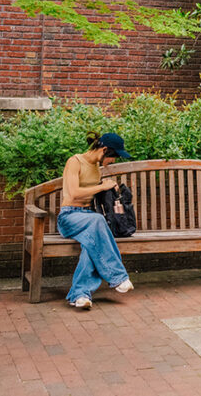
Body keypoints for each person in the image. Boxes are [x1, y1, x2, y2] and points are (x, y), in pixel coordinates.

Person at [57, 132, 135, 309]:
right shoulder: (74, 162)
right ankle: (118, 277)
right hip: (69, 217)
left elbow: (95, 191)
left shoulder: (95, 168)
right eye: (114, 156)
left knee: (89, 247)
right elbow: (75, 192)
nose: (114, 161)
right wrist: (101, 186)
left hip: (88, 219)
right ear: (104, 150)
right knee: (98, 221)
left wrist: (108, 185)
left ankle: (80, 295)